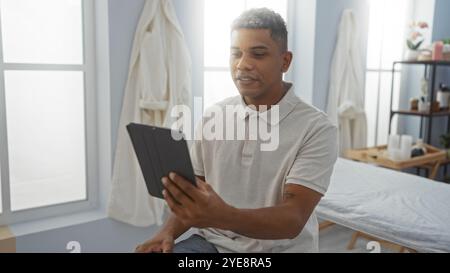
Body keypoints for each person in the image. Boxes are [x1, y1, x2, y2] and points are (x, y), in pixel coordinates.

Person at [135, 8, 337, 253]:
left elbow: (293, 219)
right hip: (211, 244)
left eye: (258, 54)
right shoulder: (213, 115)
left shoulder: (316, 128)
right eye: (235, 54)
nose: (243, 65)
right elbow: (193, 195)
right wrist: (166, 232)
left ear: (285, 61)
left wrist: (221, 216)